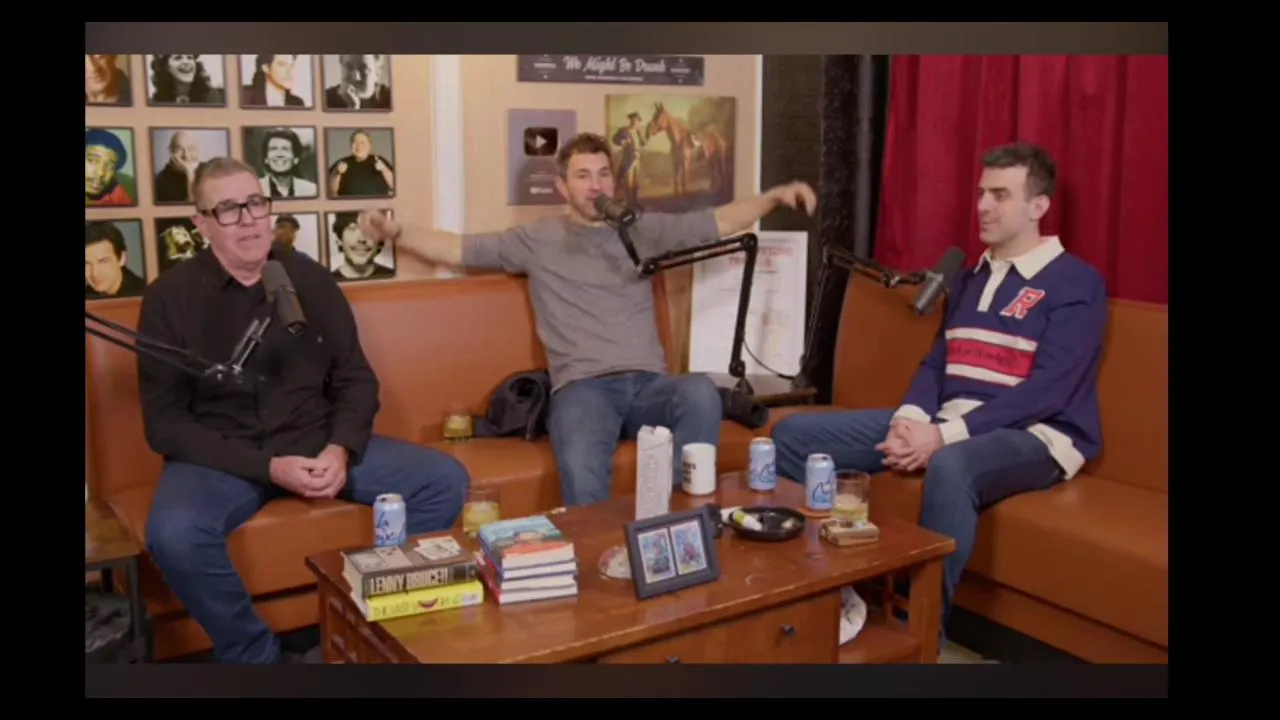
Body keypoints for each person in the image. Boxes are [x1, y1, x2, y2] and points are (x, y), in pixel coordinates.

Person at [357, 132, 817, 507]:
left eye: (603, 174)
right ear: (563, 187)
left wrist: (773, 197)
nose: (595, 186)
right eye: (583, 176)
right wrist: (395, 231)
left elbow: (716, 222)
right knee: (578, 447)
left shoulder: (640, 229)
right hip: (584, 388)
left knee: (699, 391)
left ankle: (684, 524)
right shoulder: (537, 239)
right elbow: (459, 248)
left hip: (649, 387)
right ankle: (594, 549)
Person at [135, 157, 470, 664]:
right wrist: (268, 468)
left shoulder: (308, 279)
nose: (249, 220)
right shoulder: (169, 297)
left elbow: (356, 378)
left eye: (255, 203)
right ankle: (256, 658)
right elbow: (165, 424)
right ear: (200, 224)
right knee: (174, 533)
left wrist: (340, 449)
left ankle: (375, 626)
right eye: (228, 209)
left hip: (315, 440)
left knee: (443, 480)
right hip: (222, 457)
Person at [771, 142, 1109, 632]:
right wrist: (910, 419)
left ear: (1038, 206)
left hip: (1039, 435)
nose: (983, 206)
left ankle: (923, 635)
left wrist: (941, 437)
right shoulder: (971, 277)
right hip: (949, 422)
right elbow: (937, 360)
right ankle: (820, 589)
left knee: (951, 466)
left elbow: (1049, 392)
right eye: (980, 193)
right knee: (793, 437)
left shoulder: (1077, 283)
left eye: (999, 195)